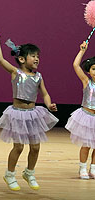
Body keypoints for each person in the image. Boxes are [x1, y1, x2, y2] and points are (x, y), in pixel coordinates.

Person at [0, 31, 58, 191]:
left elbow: (45, 93)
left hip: (33, 113)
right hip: (18, 114)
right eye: (33, 56)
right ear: (22, 59)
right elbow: (0, 59)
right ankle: (10, 174)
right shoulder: (16, 72)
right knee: (19, 147)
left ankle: (29, 172)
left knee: (35, 147)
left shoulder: (38, 76)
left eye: (37, 56)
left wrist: (49, 104)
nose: (36, 59)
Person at [65, 41, 95, 180]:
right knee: (86, 145)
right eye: (94, 68)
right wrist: (82, 51)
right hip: (87, 116)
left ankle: (93, 168)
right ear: (89, 71)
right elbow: (75, 65)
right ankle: (82, 167)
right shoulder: (86, 82)